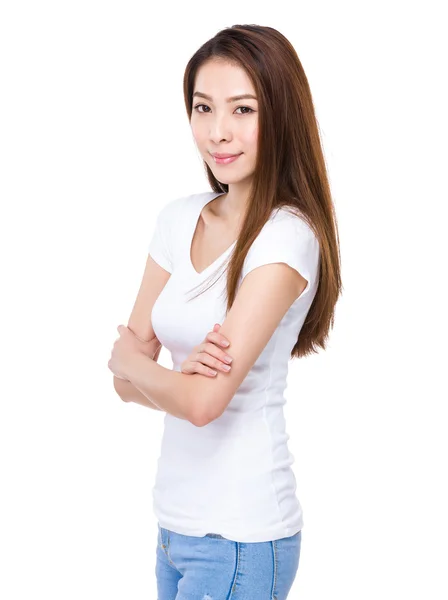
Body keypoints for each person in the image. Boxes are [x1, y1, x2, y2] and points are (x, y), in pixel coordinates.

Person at [109, 24, 342, 599]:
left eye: (243, 109)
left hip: (242, 536)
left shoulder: (286, 238)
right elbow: (125, 385)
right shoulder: (177, 218)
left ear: (281, 115)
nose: (218, 132)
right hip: (173, 526)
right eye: (203, 107)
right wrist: (162, 377)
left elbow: (203, 401)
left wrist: (139, 366)